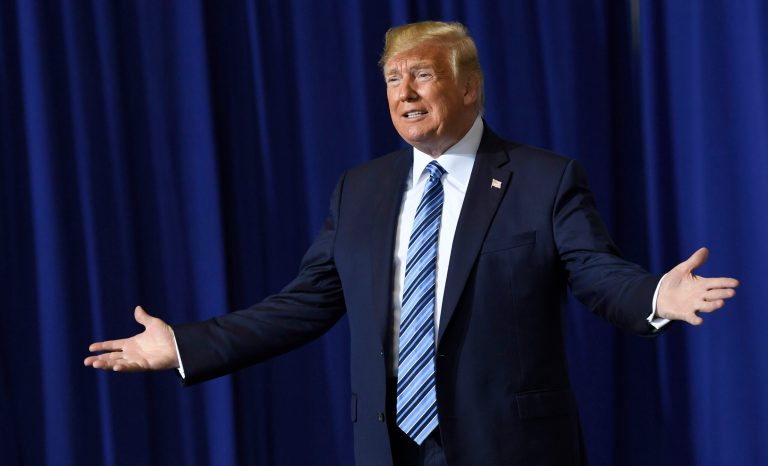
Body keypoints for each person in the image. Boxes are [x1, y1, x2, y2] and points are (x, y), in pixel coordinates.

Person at [85, 21, 738, 466]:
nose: (405, 92)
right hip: (389, 449)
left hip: (510, 448)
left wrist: (655, 293)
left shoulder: (543, 179)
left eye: (421, 76)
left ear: (468, 88)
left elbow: (596, 273)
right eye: (394, 80)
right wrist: (184, 346)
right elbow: (303, 304)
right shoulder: (360, 190)